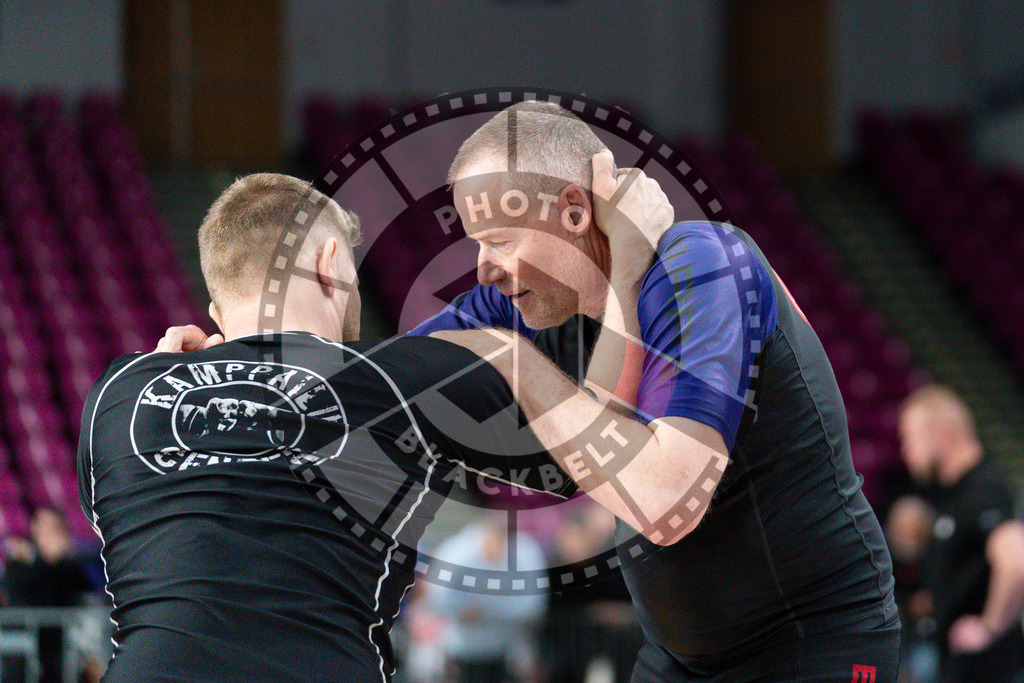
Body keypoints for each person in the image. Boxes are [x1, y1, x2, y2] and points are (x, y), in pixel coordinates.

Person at [81, 171, 667, 681]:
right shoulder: (407, 377)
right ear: (329, 261)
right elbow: (605, 442)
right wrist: (630, 264)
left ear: (216, 311)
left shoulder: (114, 394)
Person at [411, 100, 902, 680]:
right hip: (678, 659)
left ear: (573, 211)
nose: (484, 269)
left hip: (811, 645)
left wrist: (521, 360)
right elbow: (375, 378)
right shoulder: (530, 296)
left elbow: (666, 504)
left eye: (500, 240)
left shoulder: (705, 264)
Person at [898, 384, 1024, 681]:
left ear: (940, 433)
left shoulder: (982, 489)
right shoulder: (952, 495)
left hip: (990, 671)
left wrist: (988, 628)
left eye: (911, 439)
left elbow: (1016, 561)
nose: (906, 451)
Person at [424, 510, 547, 682]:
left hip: (506, 650)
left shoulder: (525, 552)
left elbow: (532, 607)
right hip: (461, 649)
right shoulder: (456, 552)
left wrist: (484, 612)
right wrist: (460, 612)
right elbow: (435, 599)